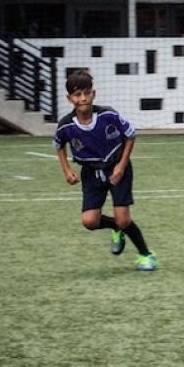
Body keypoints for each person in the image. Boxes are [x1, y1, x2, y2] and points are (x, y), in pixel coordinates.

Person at [53, 69, 158, 272]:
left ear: (94, 94)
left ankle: (146, 254)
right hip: (91, 173)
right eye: (77, 94)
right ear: (69, 98)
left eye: (86, 93)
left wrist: (121, 165)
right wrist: (66, 169)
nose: (83, 98)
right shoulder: (66, 125)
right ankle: (115, 228)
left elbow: (130, 135)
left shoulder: (108, 115)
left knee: (124, 218)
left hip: (117, 168)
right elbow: (58, 144)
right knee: (89, 221)